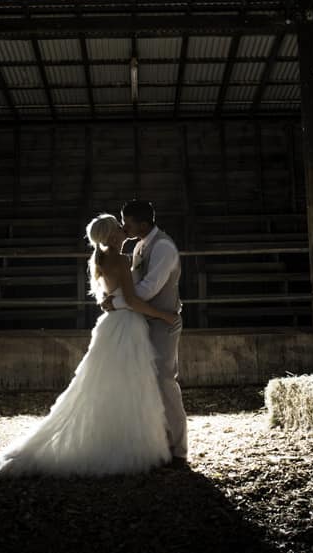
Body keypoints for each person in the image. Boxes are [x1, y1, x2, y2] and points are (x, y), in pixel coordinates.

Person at [0, 213, 176, 478]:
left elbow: (111, 296)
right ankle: (122, 443)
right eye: (118, 227)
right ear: (112, 235)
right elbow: (134, 301)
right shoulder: (121, 260)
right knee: (129, 384)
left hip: (111, 324)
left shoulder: (100, 258)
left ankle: (112, 437)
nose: (124, 229)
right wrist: (164, 315)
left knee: (107, 384)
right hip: (126, 325)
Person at [101, 199, 187, 465]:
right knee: (146, 384)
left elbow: (148, 289)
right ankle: (158, 445)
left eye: (126, 221)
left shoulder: (163, 248)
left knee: (164, 380)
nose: (123, 226)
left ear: (143, 223)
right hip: (141, 322)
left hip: (163, 323)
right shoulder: (140, 245)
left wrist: (116, 301)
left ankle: (178, 450)